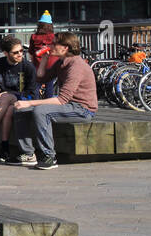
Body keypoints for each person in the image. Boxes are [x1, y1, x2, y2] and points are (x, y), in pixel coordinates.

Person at [13, 32, 97, 170]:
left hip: (83, 109)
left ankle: (49, 156)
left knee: (41, 111)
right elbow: (41, 79)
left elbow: (62, 99)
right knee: (20, 110)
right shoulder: (61, 62)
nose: (50, 45)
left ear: (65, 47)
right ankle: (28, 154)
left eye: (54, 43)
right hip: (69, 106)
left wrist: (29, 103)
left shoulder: (76, 66)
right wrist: (44, 60)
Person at [0, 34, 35, 162]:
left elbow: (31, 91)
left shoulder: (28, 67)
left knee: (6, 97)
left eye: (21, 51)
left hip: (25, 98)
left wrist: (8, 95)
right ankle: (4, 149)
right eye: (15, 53)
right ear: (6, 53)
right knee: (8, 110)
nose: (20, 54)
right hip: (7, 101)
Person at [29, 11, 59, 98]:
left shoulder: (34, 37)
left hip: (37, 65)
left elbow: (31, 51)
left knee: (36, 85)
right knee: (49, 85)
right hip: (51, 64)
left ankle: (36, 103)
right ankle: (48, 104)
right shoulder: (54, 37)